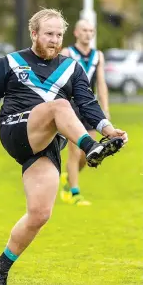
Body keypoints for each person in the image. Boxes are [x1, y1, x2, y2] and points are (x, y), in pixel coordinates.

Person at [0, 9, 128, 285]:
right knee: (60, 106)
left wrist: (108, 129)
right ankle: (90, 148)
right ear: (34, 34)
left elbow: (88, 104)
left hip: (47, 142)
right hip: (16, 129)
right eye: (48, 34)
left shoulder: (71, 68)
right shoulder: (10, 62)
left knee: (40, 213)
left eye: (58, 35)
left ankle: (0, 266)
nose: (54, 40)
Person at [60, 19, 110, 206]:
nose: (88, 34)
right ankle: (75, 193)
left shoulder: (98, 56)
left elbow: (102, 84)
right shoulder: (67, 53)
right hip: (70, 107)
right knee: (74, 152)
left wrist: (105, 110)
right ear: (76, 32)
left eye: (91, 30)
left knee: (88, 153)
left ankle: (68, 181)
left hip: (89, 107)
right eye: (84, 30)